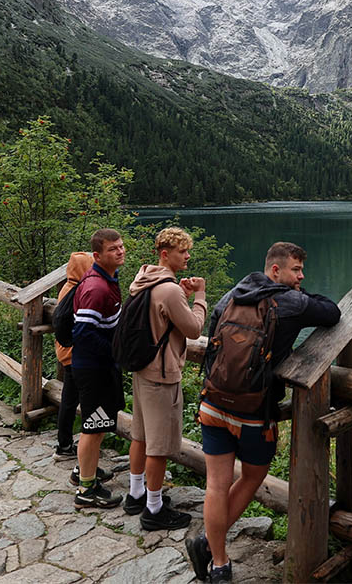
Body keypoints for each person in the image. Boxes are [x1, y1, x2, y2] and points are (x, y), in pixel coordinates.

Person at [185, 241, 340, 582]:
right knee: (253, 476)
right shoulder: (291, 302)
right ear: (275, 270)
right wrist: (302, 293)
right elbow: (332, 312)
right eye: (296, 270)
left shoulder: (233, 294)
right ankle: (209, 545)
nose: (301, 276)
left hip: (213, 402)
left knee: (216, 484)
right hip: (253, 411)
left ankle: (220, 564)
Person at [125, 227, 208, 530]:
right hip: (162, 375)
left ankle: (136, 494)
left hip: (142, 369)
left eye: (188, 250)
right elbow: (194, 329)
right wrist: (199, 296)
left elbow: (159, 318)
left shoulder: (143, 279)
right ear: (164, 254)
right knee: (158, 446)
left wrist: (181, 296)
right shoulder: (170, 289)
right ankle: (154, 510)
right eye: (182, 251)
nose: (187, 256)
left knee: (140, 434)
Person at [71, 228, 127, 509]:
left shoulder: (108, 279)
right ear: (97, 255)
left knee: (98, 425)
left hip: (99, 367)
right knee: (93, 428)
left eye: (121, 246)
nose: (120, 251)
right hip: (94, 369)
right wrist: (117, 352)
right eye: (112, 249)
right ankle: (86, 490)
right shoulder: (96, 288)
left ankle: (85, 471)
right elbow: (82, 333)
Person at [53, 251, 93, 461]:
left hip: (65, 351)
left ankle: (64, 443)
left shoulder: (67, 287)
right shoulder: (80, 291)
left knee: (68, 399)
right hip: (75, 355)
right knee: (78, 402)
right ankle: (71, 447)